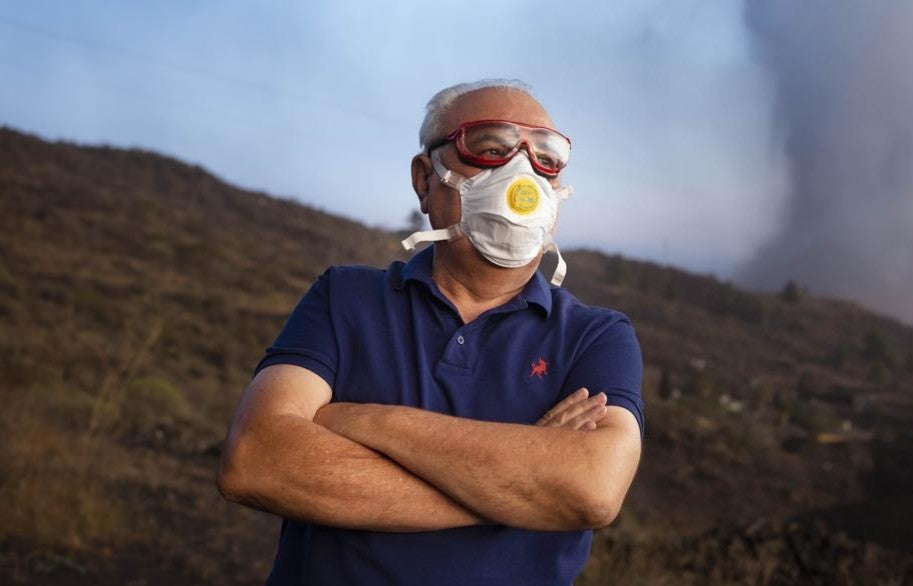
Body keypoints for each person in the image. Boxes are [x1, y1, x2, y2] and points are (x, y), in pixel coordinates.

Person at [216, 79, 645, 585]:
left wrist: (363, 420)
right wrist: (523, 486)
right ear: (425, 180)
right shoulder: (345, 297)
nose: (522, 174)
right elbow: (256, 461)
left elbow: (593, 490)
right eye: (491, 149)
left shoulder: (596, 337)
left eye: (546, 159)